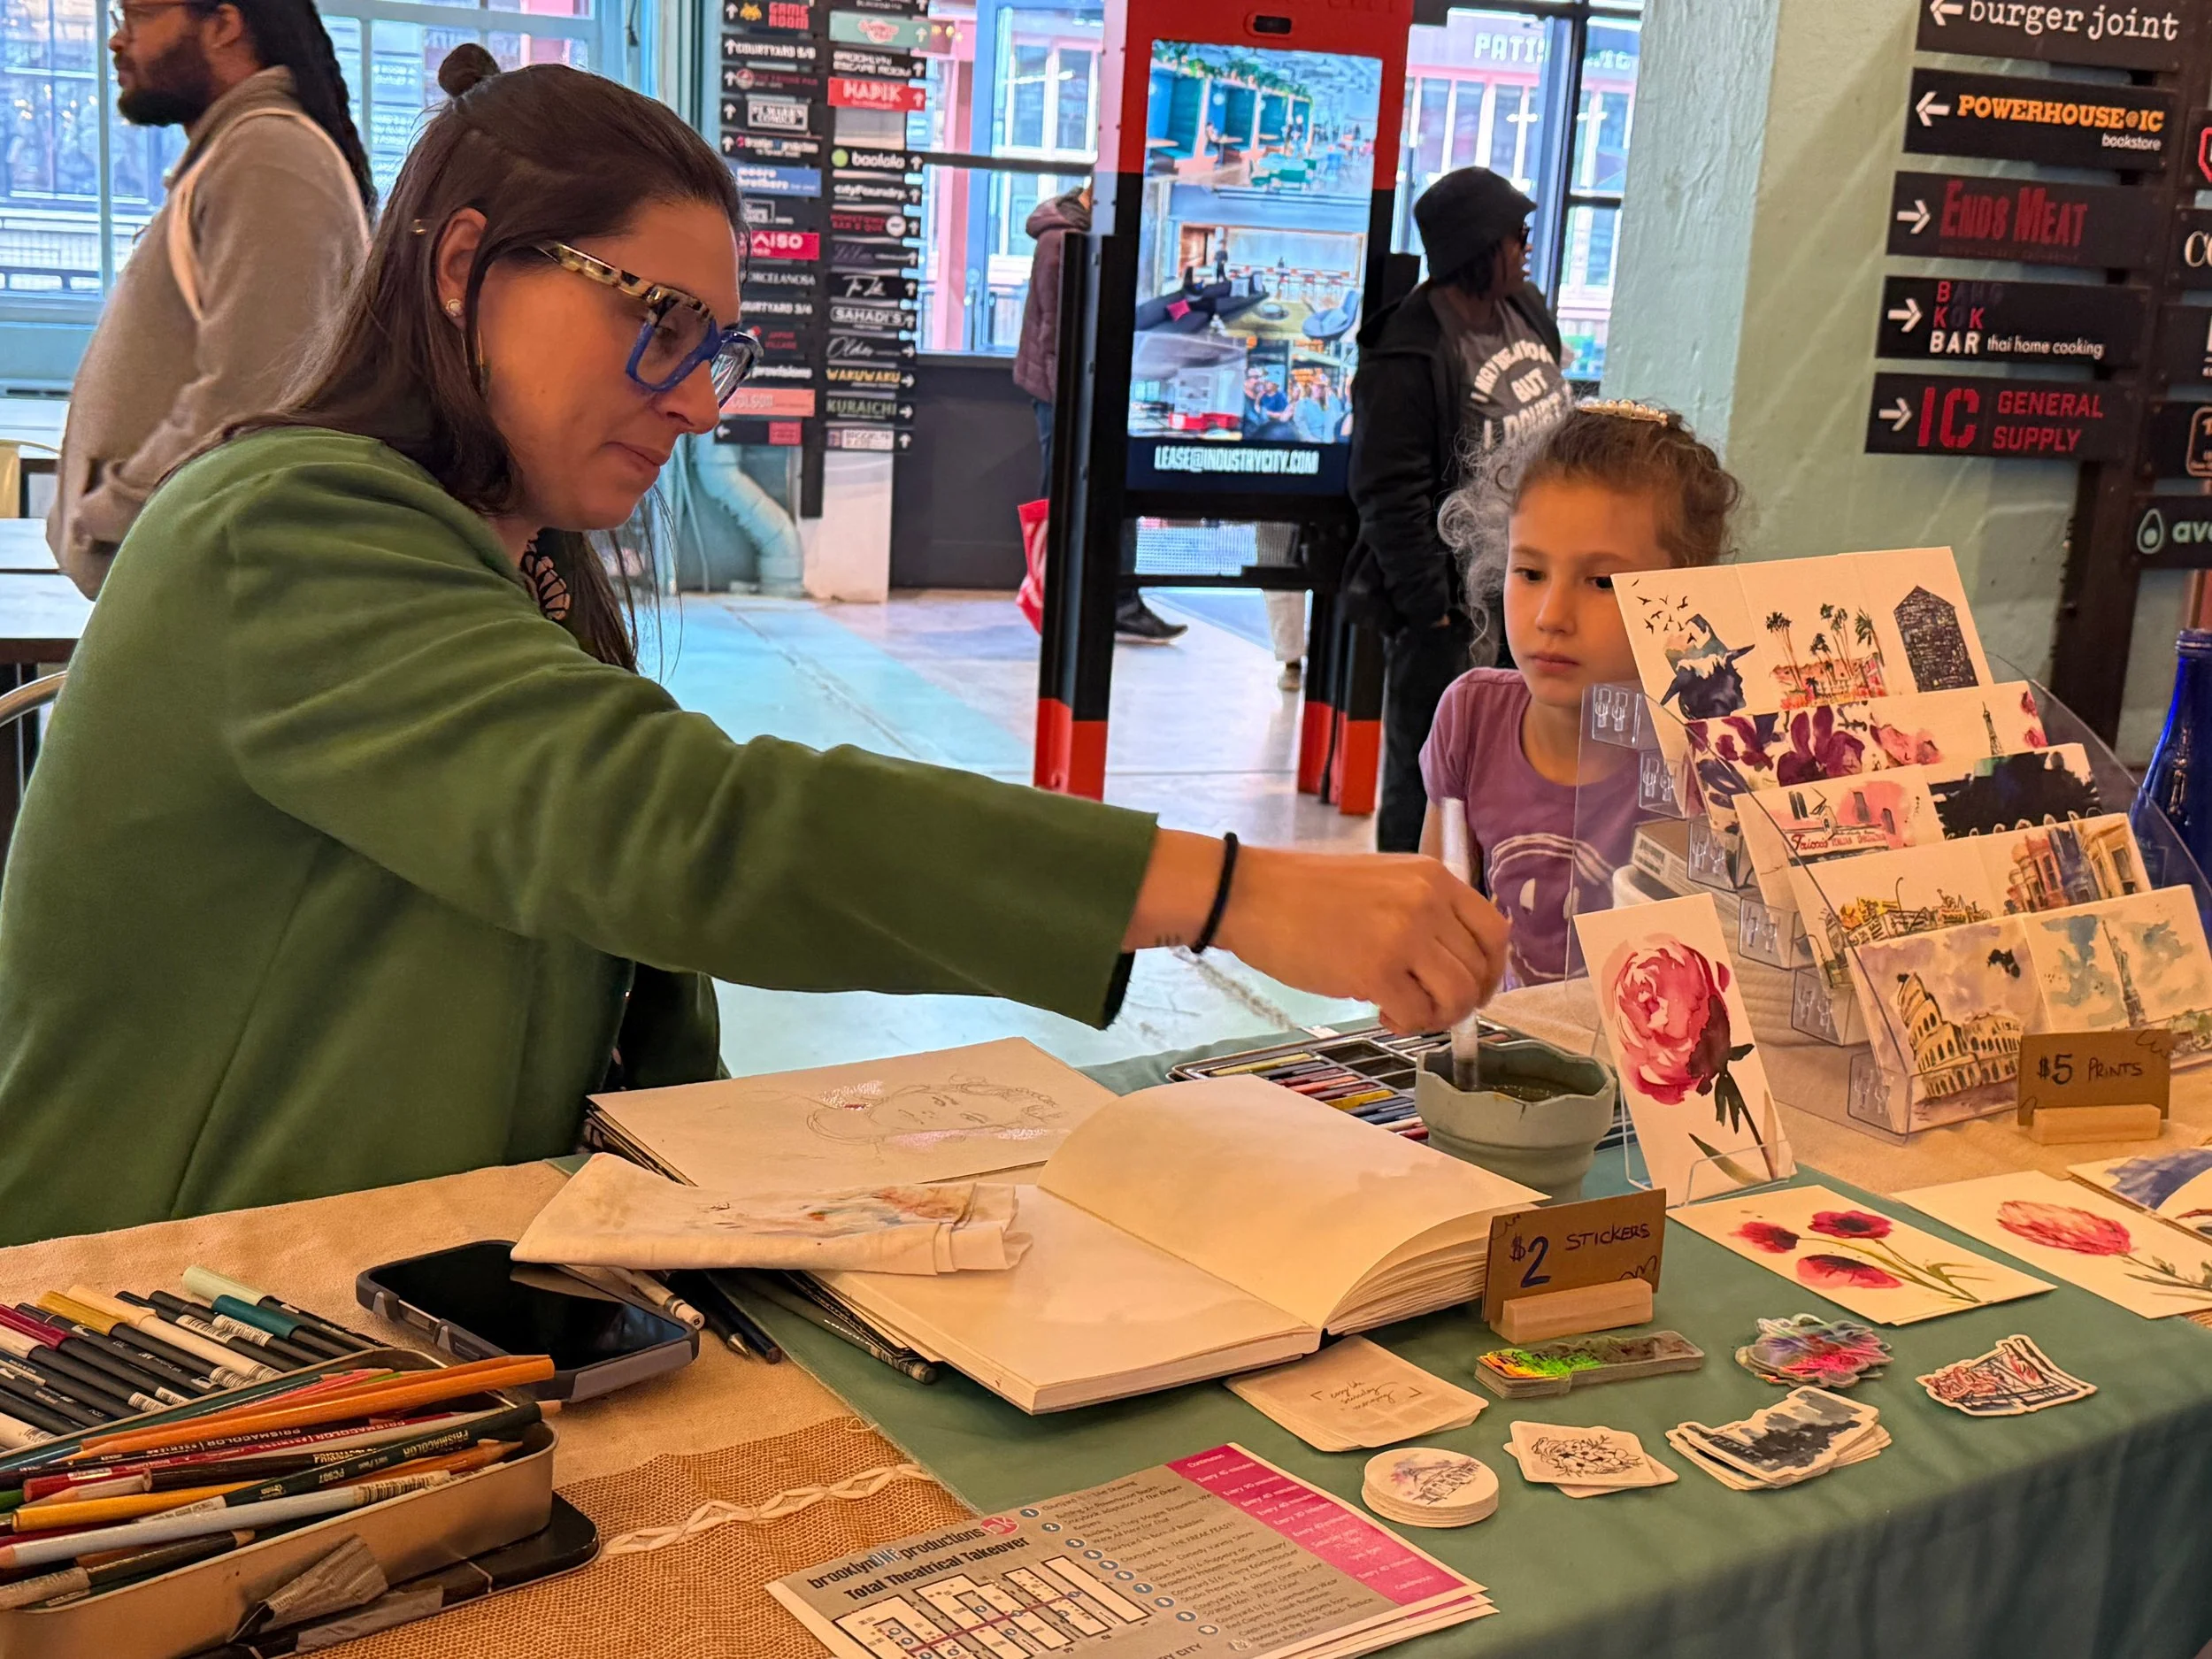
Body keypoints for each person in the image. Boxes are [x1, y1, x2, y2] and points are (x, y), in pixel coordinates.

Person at [0, 50, 1510, 1248]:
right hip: (164, 1345)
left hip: (439, 1299)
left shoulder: (525, 568)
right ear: (463, 266)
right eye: (658, 322)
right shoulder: (284, 524)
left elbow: (634, 981)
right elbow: (684, 828)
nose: (700, 400)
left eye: (716, 346)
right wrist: (1226, 891)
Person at [48, 0, 373, 598]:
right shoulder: (241, 154)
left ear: (224, 24)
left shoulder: (271, 156)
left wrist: (112, 509)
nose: (119, 42)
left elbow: (250, 397)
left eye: (139, 17)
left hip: (213, 588)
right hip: (190, 578)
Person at [1417, 403, 1742, 989]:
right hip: (1506, 1060)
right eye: (1531, 573)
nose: (1551, 616)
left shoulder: (1709, 756)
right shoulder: (1471, 716)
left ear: (1683, 592)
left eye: (1601, 583)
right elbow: (1435, 925)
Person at [1346, 166, 1570, 852]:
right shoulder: (1408, 347)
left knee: (1515, 761)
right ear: (1479, 246)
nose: (1526, 247)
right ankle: (1401, 906)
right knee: (1428, 771)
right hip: (1448, 607)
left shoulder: (1526, 306)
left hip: (1526, 586)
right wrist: (1429, 608)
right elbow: (1388, 488)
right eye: (1516, 235)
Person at [1013, 181, 1186, 644]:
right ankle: (1054, 595)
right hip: (1065, 392)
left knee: (1107, 491)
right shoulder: (1062, 241)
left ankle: (1114, 601)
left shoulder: (1087, 236)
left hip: (1085, 389)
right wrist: (1078, 395)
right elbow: (1061, 330)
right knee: (1063, 496)